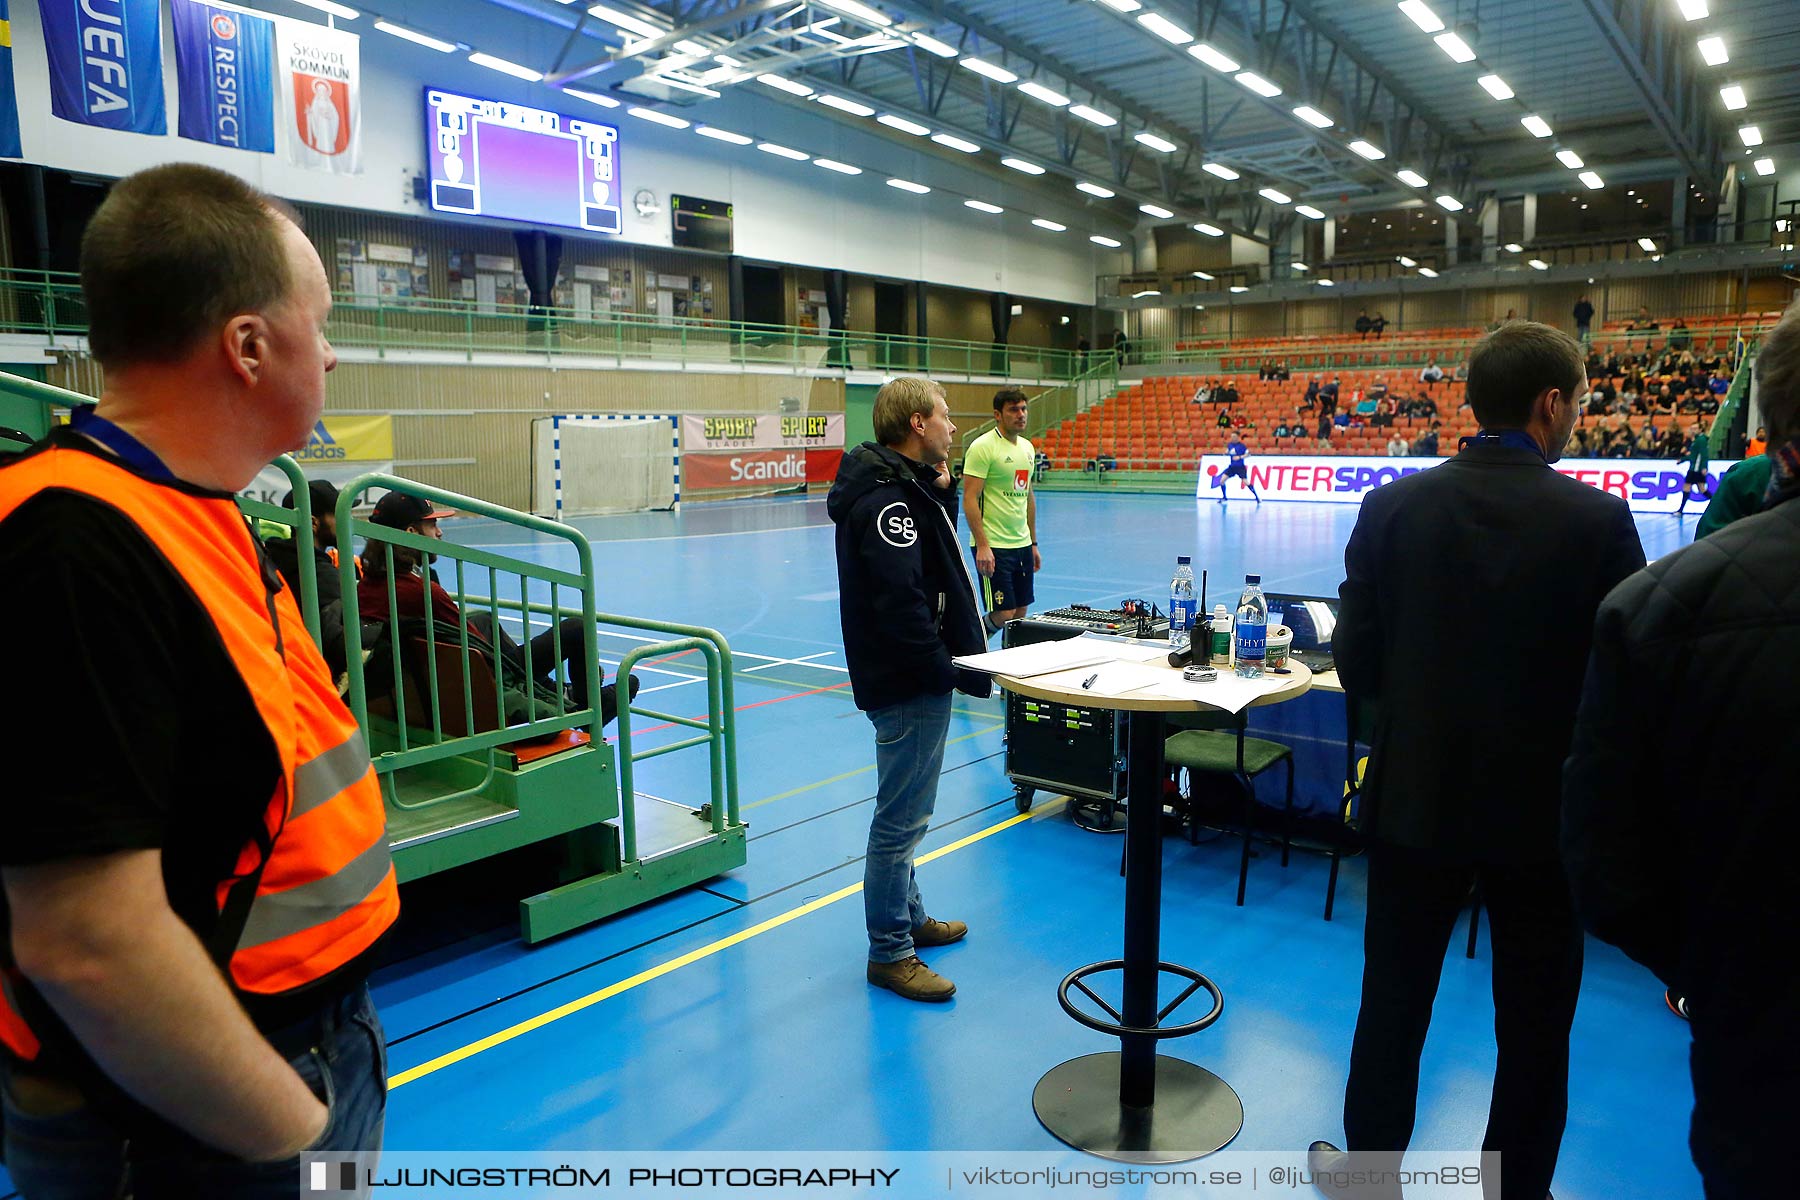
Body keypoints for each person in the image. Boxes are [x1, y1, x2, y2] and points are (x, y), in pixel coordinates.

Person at [0, 165, 397, 1194]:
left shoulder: (191, 505)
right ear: (250, 347)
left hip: (314, 1041)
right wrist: (292, 1132)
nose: (335, 350)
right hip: (200, 1121)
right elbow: (88, 939)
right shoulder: (71, 546)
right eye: (320, 318)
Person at [1309, 320, 1646, 1200]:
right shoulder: (1600, 520)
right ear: (1550, 404)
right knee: (1535, 1031)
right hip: (1542, 822)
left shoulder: (1392, 507)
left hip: (1417, 802)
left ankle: (1370, 1180)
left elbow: (1356, 662)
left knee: (1392, 1005)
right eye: (1574, 402)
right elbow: (1621, 688)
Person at [1562, 299, 1800, 1199]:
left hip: (1756, 1033)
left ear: (1768, 424)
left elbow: (1606, 857)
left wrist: (1711, 970)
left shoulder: (1662, 609)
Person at [827, 377, 989, 1002]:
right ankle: (891, 951)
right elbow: (902, 601)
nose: (953, 427)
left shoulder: (900, 489)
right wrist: (939, 670)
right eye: (945, 417)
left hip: (908, 674)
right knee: (900, 820)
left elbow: (928, 559)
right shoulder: (887, 503)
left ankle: (910, 918)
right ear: (918, 424)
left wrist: (939, 486)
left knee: (909, 814)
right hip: (908, 679)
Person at [357, 491, 636, 726]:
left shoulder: (367, 586)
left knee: (484, 619)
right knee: (577, 628)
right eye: (432, 526)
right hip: (477, 683)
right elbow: (480, 651)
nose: (440, 532)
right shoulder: (422, 591)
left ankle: (557, 690)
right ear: (410, 533)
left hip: (432, 685)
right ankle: (588, 710)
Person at [961, 388, 1040, 638]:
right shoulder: (983, 447)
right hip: (994, 546)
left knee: (1019, 613)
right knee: (1003, 612)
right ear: (998, 414)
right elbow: (970, 498)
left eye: (1023, 409)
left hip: (1022, 544)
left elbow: (1027, 497)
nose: (1021, 415)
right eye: (1013, 410)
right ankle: (968, 641)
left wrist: (1034, 543)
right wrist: (983, 545)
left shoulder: (1028, 449)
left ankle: (1008, 668)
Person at [1676, 421, 1714, 515]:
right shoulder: (1697, 440)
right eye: (1692, 428)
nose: (1693, 430)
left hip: (1695, 469)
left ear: (1700, 429)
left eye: (1695, 428)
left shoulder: (1701, 440)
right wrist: (1683, 460)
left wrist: (1704, 467)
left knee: (1688, 487)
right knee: (1701, 489)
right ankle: (1717, 505)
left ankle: (1680, 510)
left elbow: (1703, 454)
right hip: (1694, 467)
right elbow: (1693, 455)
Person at [1210, 433, 1258, 504]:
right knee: (1222, 481)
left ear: (1238, 437)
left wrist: (1240, 457)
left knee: (1245, 482)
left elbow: (1248, 454)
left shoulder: (1242, 446)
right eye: (1232, 437)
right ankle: (1224, 497)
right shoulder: (1230, 445)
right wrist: (1225, 453)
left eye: (1234, 437)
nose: (1233, 438)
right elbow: (1228, 451)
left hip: (1240, 467)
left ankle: (1257, 497)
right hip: (1232, 467)